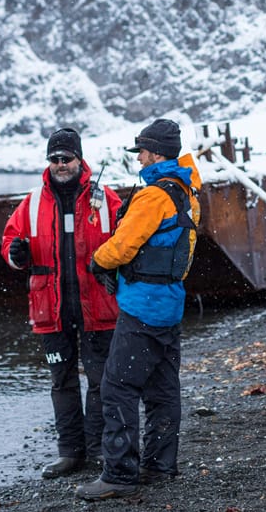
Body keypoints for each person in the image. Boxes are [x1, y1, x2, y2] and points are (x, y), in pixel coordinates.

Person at [76, 119, 201, 500]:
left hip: (142, 307)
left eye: (143, 151)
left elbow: (123, 246)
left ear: (156, 153)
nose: (140, 157)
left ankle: (119, 475)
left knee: (117, 387)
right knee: (163, 390)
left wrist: (98, 261)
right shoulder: (187, 192)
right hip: (170, 304)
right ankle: (160, 465)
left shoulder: (152, 196)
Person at [1, 127, 123, 479]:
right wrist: (15, 253)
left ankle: (99, 448)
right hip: (51, 310)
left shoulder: (105, 199)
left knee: (101, 380)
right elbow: (10, 240)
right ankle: (71, 453)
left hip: (98, 308)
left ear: (79, 159)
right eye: (53, 159)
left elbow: (127, 240)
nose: (59, 164)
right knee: (62, 382)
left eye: (66, 158)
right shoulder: (33, 201)